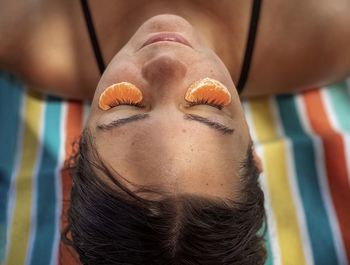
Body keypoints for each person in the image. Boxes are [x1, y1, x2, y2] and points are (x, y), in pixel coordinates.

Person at [1, 0, 350, 264]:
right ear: (252, 155)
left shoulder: (30, 38)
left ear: (79, 159)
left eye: (124, 102)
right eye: (208, 102)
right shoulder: (329, 34)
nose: (166, 63)